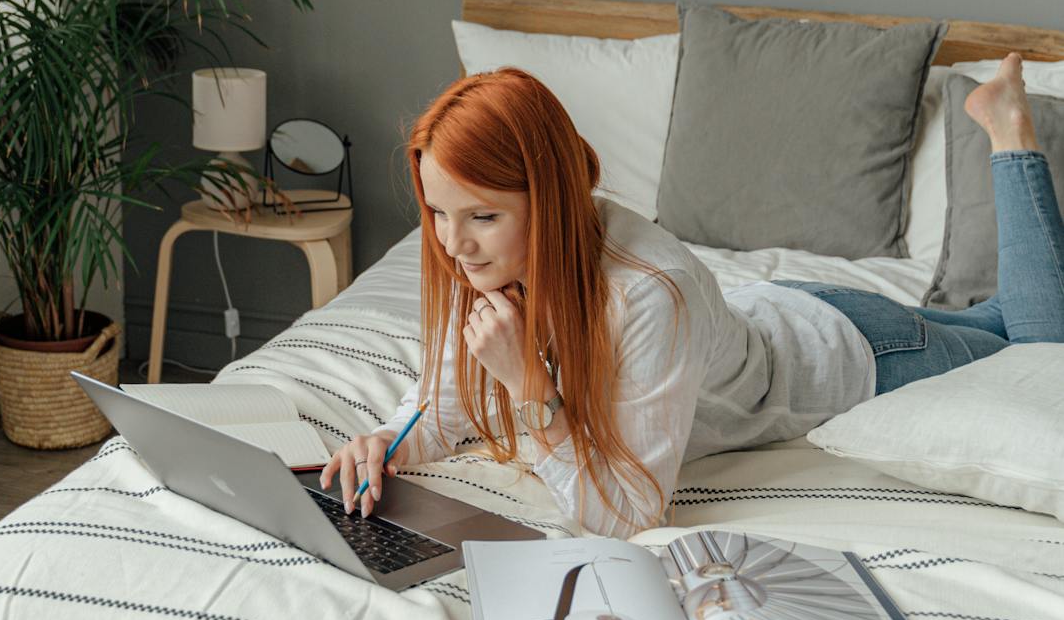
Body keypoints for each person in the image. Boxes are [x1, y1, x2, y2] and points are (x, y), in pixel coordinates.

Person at [321, 55, 1064, 539]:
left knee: (1035, 341)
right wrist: (382, 442)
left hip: (853, 350)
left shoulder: (651, 291)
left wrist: (527, 387)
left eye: (483, 215)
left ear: (547, 198)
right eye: (438, 213)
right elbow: (441, 405)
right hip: (778, 310)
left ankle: (1007, 127)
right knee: (994, 321)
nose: (455, 244)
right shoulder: (475, 257)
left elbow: (624, 513)